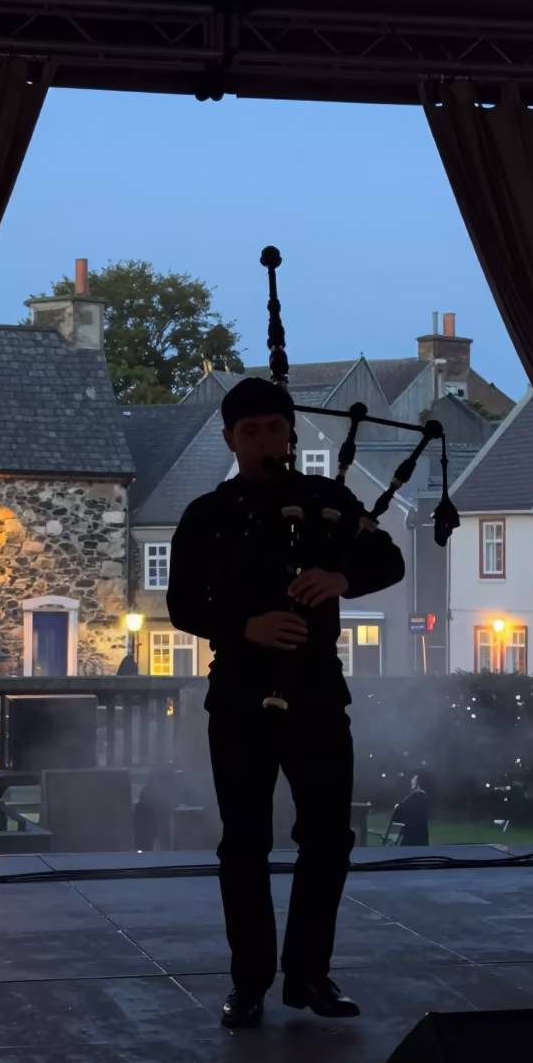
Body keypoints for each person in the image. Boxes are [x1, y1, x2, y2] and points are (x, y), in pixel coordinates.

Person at [167, 377, 405, 1028]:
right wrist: (247, 626)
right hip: (241, 696)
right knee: (243, 843)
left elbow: (388, 560)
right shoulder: (207, 516)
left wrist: (341, 576)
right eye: (252, 431)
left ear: (290, 433)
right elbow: (182, 605)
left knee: (328, 838)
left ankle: (309, 975)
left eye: (276, 428)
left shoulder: (326, 501)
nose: (267, 440)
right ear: (230, 439)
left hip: (320, 694)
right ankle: (249, 982)